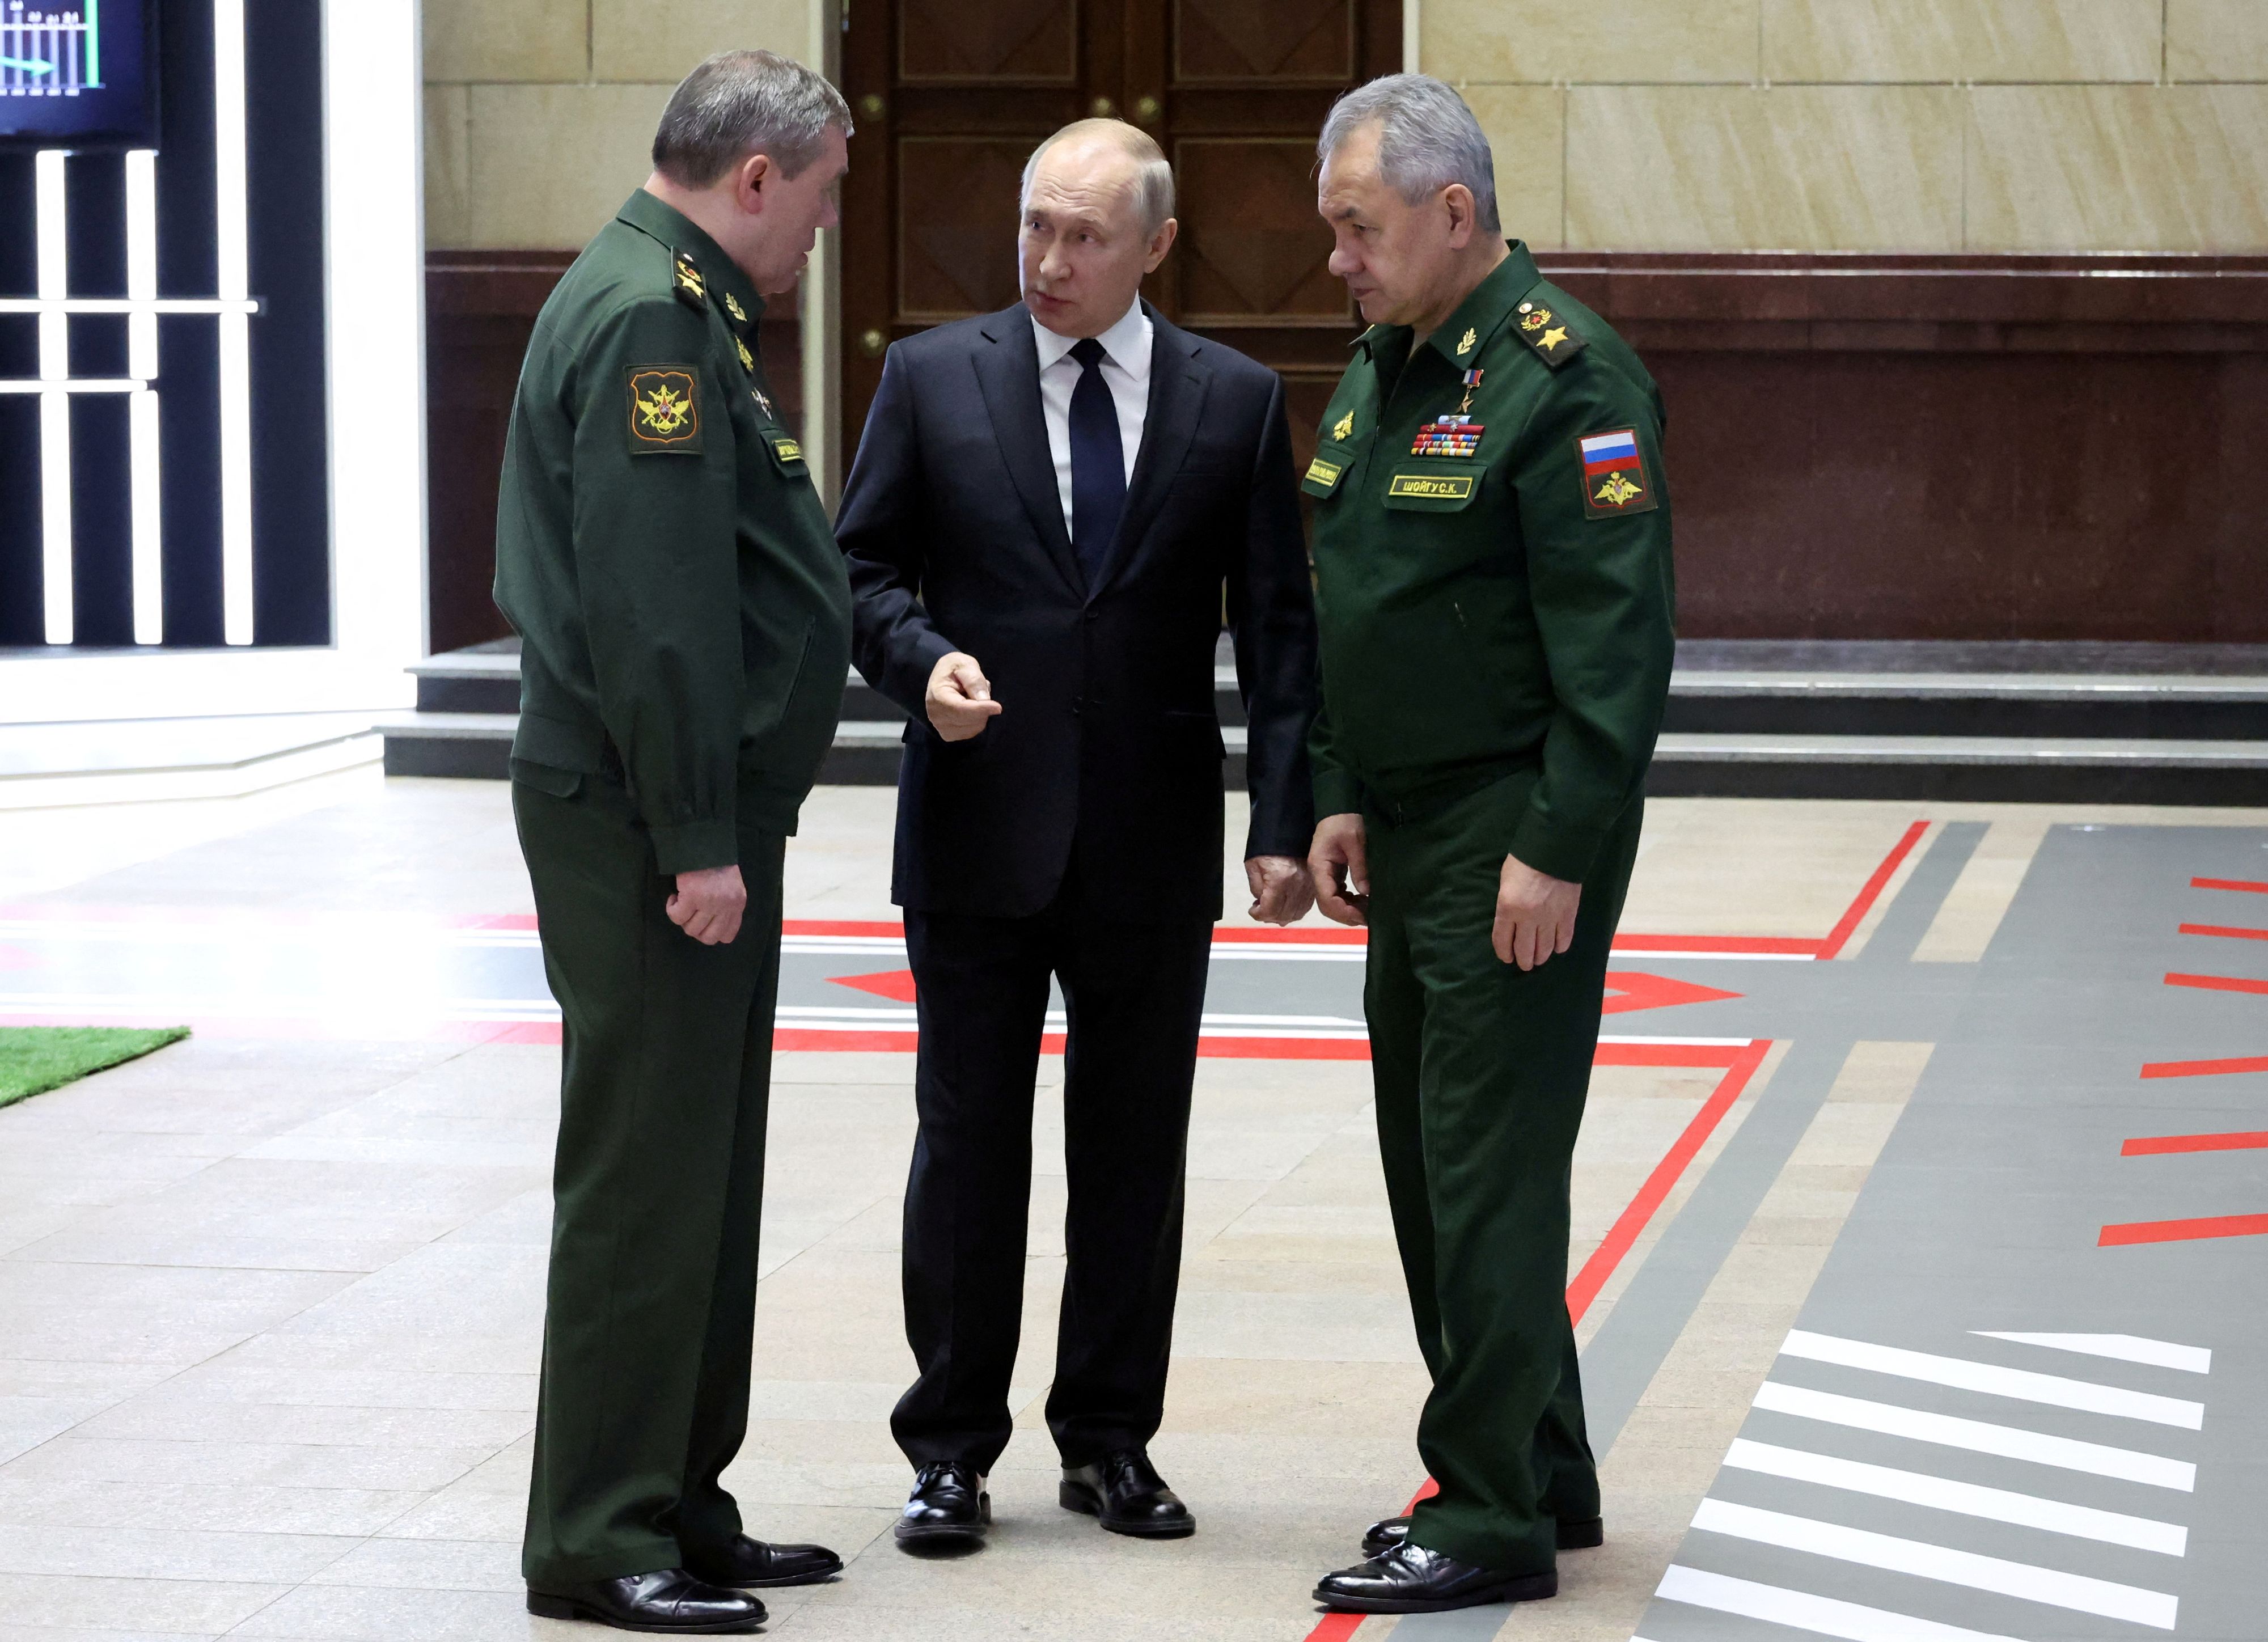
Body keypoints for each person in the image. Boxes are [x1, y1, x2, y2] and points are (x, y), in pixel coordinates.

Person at [836, 118, 1319, 1551]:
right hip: (978, 831)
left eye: (1084, 236)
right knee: (966, 1145)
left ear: (1155, 247)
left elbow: (1280, 628)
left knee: (1130, 1153)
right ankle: (947, 1448)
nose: (1047, 260)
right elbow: (859, 568)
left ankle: (1108, 1438)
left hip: (1147, 842)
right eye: (1035, 227)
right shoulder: (930, 378)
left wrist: (1283, 819)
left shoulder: (1232, 401)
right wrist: (919, 661)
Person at [1297, 75, 1675, 1616]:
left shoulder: (1566, 380)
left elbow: (1617, 643)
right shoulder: (1384, 369)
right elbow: (1355, 602)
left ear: (1456, 215)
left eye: (1359, 228)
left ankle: (1489, 1504)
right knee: (1435, 1162)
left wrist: (1558, 844)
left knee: (1484, 1166)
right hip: (1404, 821)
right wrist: (1331, 784)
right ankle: (1546, 1462)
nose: (1337, 260)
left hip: (1508, 828)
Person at [492, 51, 856, 1635]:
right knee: (648, 1175)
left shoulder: (683, 300)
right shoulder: (653, 314)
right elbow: (652, 611)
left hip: (679, 811)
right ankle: (596, 1532)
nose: (825, 234)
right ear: (758, 180)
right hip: (648, 821)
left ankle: (678, 1498)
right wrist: (702, 832)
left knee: (702, 1168)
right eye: (826, 198)